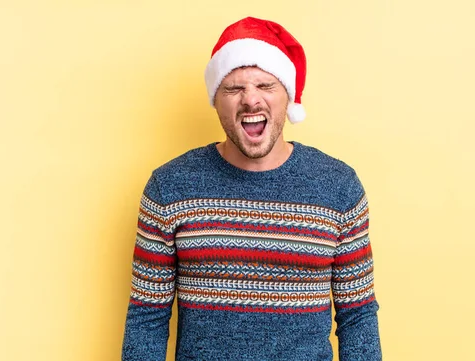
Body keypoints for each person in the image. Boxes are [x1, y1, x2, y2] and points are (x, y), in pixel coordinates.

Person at [122, 17, 381, 361]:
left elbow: (358, 315)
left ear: (287, 96)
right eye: (233, 89)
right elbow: (147, 318)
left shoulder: (339, 188)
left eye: (265, 85)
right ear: (216, 99)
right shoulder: (169, 188)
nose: (250, 100)